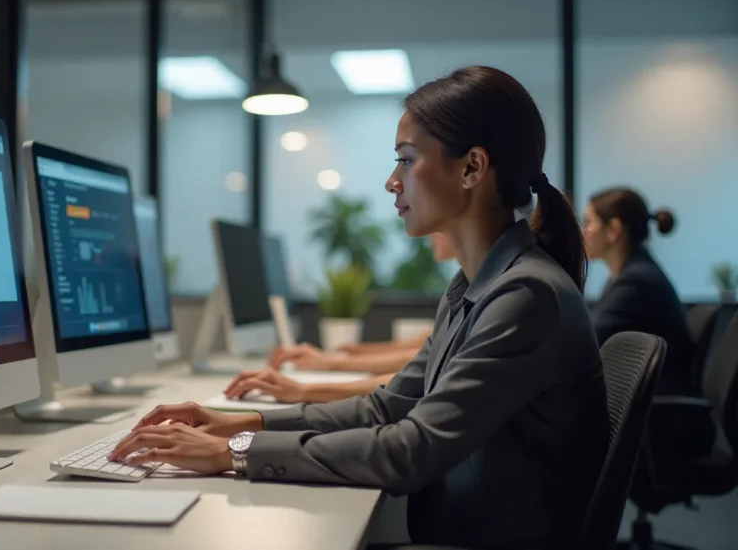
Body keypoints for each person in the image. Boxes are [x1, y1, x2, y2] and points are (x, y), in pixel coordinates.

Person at [110, 66, 609, 549]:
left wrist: (234, 452)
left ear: (472, 168)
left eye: (407, 160)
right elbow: (387, 407)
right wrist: (243, 423)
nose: (392, 181)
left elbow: (410, 450)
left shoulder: (526, 295)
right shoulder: (475, 286)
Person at [221, 233, 455, 404]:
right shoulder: (460, 289)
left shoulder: (469, 296)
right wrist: (337, 357)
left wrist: (306, 387)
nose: (429, 234)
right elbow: (414, 350)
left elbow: (413, 364)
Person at [582, 188, 694, 394]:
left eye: (588, 222)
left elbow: (587, 341)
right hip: (644, 394)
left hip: (658, 400)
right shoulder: (630, 273)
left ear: (614, 230)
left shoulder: (636, 281)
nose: (583, 232)